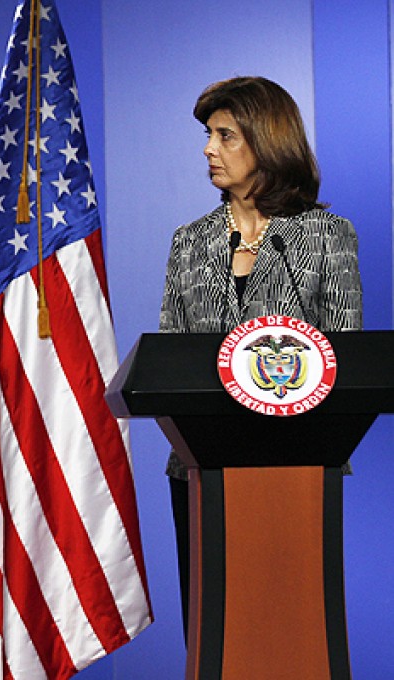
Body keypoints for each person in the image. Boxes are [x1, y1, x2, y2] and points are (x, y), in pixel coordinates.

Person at [158, 75, 362, 635]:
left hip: (299, 470)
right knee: (214, 636)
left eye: (225, 136)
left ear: (267, 140)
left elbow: (346, 359)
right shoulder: (189, 242)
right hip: (201, 471)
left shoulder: (327, 237)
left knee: (291, 633)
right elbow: (170, 361)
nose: (208, 149)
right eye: (208, 135)